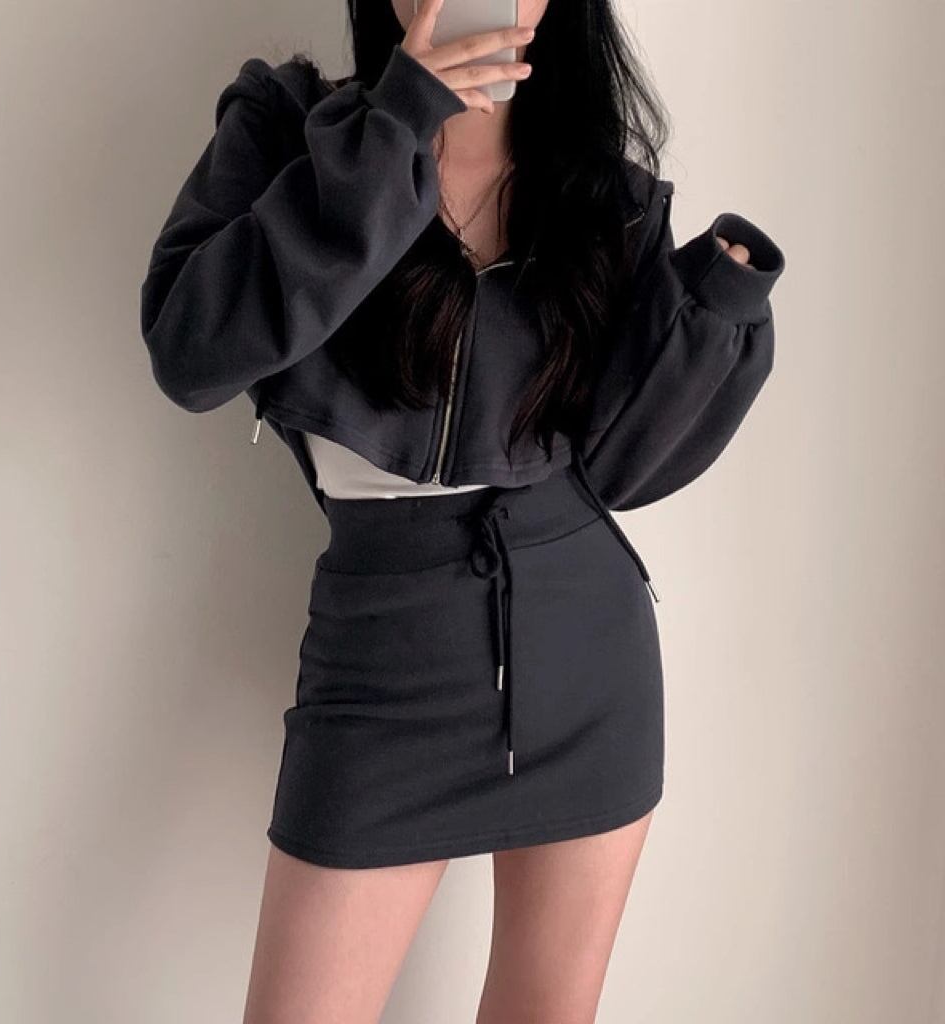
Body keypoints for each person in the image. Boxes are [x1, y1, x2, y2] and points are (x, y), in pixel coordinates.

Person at [138, 0, 786, 1019]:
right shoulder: (288, 130)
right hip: (379, 658)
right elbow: (190, 351)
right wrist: (397, 122)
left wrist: (716, 308)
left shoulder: (601, 196)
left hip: (584, 655)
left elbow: (618, 468)